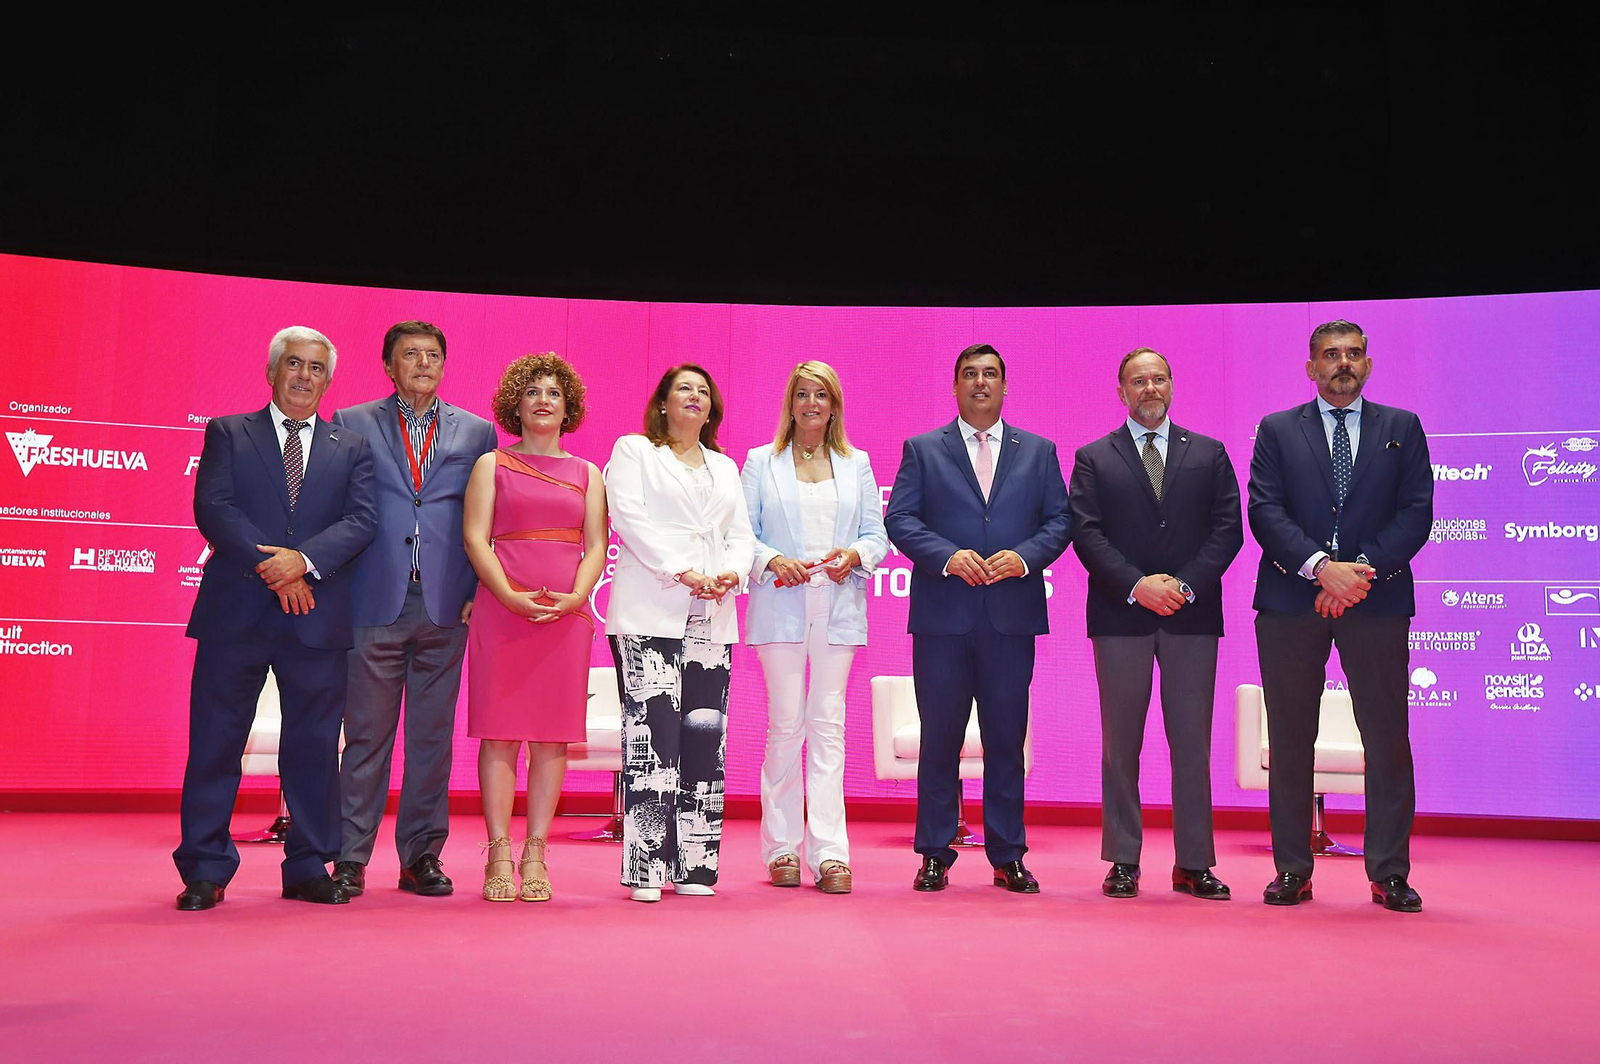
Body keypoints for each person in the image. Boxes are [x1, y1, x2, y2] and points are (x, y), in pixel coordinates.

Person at [173, 326, 377, 910]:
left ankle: (309, 864)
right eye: (294, 364)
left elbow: (362, 521)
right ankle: (204, 868)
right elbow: (213, 507)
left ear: (329, 379)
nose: (304, 377)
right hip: (234, 613)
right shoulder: (228, 432)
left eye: (316, 368)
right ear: (272, 371)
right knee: (215, 741)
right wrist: (276, 567)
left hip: (315, 614)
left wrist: (303, 564)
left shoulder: (351, 446)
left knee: (314, 745)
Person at [1247, 319, 1432, 912]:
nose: (1342, 364)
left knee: (1385, 737)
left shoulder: (1402, 428)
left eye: (1353, 354)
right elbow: (1265, 511)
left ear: (1368, 365)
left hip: (1375, 601)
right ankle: (1292, 870)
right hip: (1290, 599)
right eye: (1330, 355)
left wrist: (1356, 573)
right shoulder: (1277, 430)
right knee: (1291, 738)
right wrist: (1319, 567)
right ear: (1311, 367)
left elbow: (1416, 514)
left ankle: (1389, 873)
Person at [884, 343, 1072, 894]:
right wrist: (946, 555)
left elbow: (1060, 520)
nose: (981, 382)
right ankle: (935, 853)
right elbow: (900, 518)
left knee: (1005, 740)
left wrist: (1026, 557)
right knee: (939, 738)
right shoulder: (923, 449)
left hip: (1010, 618)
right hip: (944, 619)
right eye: (970, 374)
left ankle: (1008, 853)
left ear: (1005, 386)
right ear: (955, 387)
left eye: (991, 374)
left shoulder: (1038, 451)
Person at [331, 321, 499, 899]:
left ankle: (421, 856)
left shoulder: (478, 432)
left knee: (432, 739)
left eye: (433, 355)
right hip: (372, 600)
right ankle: (350, 858)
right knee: (367, 739)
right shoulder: (351, 423)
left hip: (446, 605)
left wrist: (481, 587)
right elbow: (337, 511)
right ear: (388, 365)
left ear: (445, 365)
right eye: (410, 355)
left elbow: (488, 519)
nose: (423, 363)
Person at [1068, 347, 1243, 901]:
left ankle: (1194, 862)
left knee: (1192, 742)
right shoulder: (1094, 456)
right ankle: (1123, 859)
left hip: (1192, 616)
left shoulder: (1209, 453)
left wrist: (1184, 585)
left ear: (1172, 385)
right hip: (1121, 615)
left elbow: (1227, 531)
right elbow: (1087, 534)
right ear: (1121, 391)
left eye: (1159, 378)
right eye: (1138, 381)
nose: (1150, 389)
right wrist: (1138, 585)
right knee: (1122, 744)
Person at [604, 363, 756, 903]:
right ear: (663, 403)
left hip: (712, 615)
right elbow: (628, 517)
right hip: (652, 611)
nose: (695, 396)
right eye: (683, 389)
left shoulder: (725, 465)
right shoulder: (635, 451)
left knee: (703, 741)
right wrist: (681, 570)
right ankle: (646, 866)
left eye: (703, 390)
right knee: (652, 739)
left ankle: (696, 865)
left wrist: (733, 573)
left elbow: (740, 534)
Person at [463, 353, 607, 902]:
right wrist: (507, 596)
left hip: (564, 615)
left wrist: (577, 595)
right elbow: (476, 539)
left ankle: (536, 852)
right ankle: (498, 850)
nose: (543, 400)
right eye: (533, 392)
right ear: (514, 406)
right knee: (499, 734)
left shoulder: (589, 473)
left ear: (568, 407)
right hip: (503, 612)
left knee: (552, 740)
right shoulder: (491, 464)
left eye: (554, 393)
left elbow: (596, 545)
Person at [741, 361, 888, 894]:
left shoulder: (857, 463)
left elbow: (877, 534)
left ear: (834, 405)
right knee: (785, 724)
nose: (810, 403)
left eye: (820, 395)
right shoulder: (761, 461)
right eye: (801, 394)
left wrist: (854, 554)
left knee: (828, 725)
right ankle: (780, 848)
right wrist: (773, 559)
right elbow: (743, 533)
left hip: (837, 603)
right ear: (791, 402)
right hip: (779, 603)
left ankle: (830, 853)